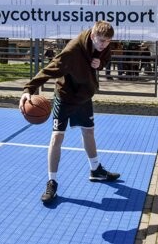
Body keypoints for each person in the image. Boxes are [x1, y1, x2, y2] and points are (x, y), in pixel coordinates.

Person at [19, 21, 121, 205]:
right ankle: (52, 182)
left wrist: (101, 62)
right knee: (57, 137)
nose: (104, 45)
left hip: (84, 96)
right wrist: (29, 89)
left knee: (88, 132)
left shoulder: (104, 45)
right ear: (92, 35)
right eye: (101, 41)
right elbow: (50, 68)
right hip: (65, 97)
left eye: (107, 42)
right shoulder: (72, 51)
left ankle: (96, 170)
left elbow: (106, 56)